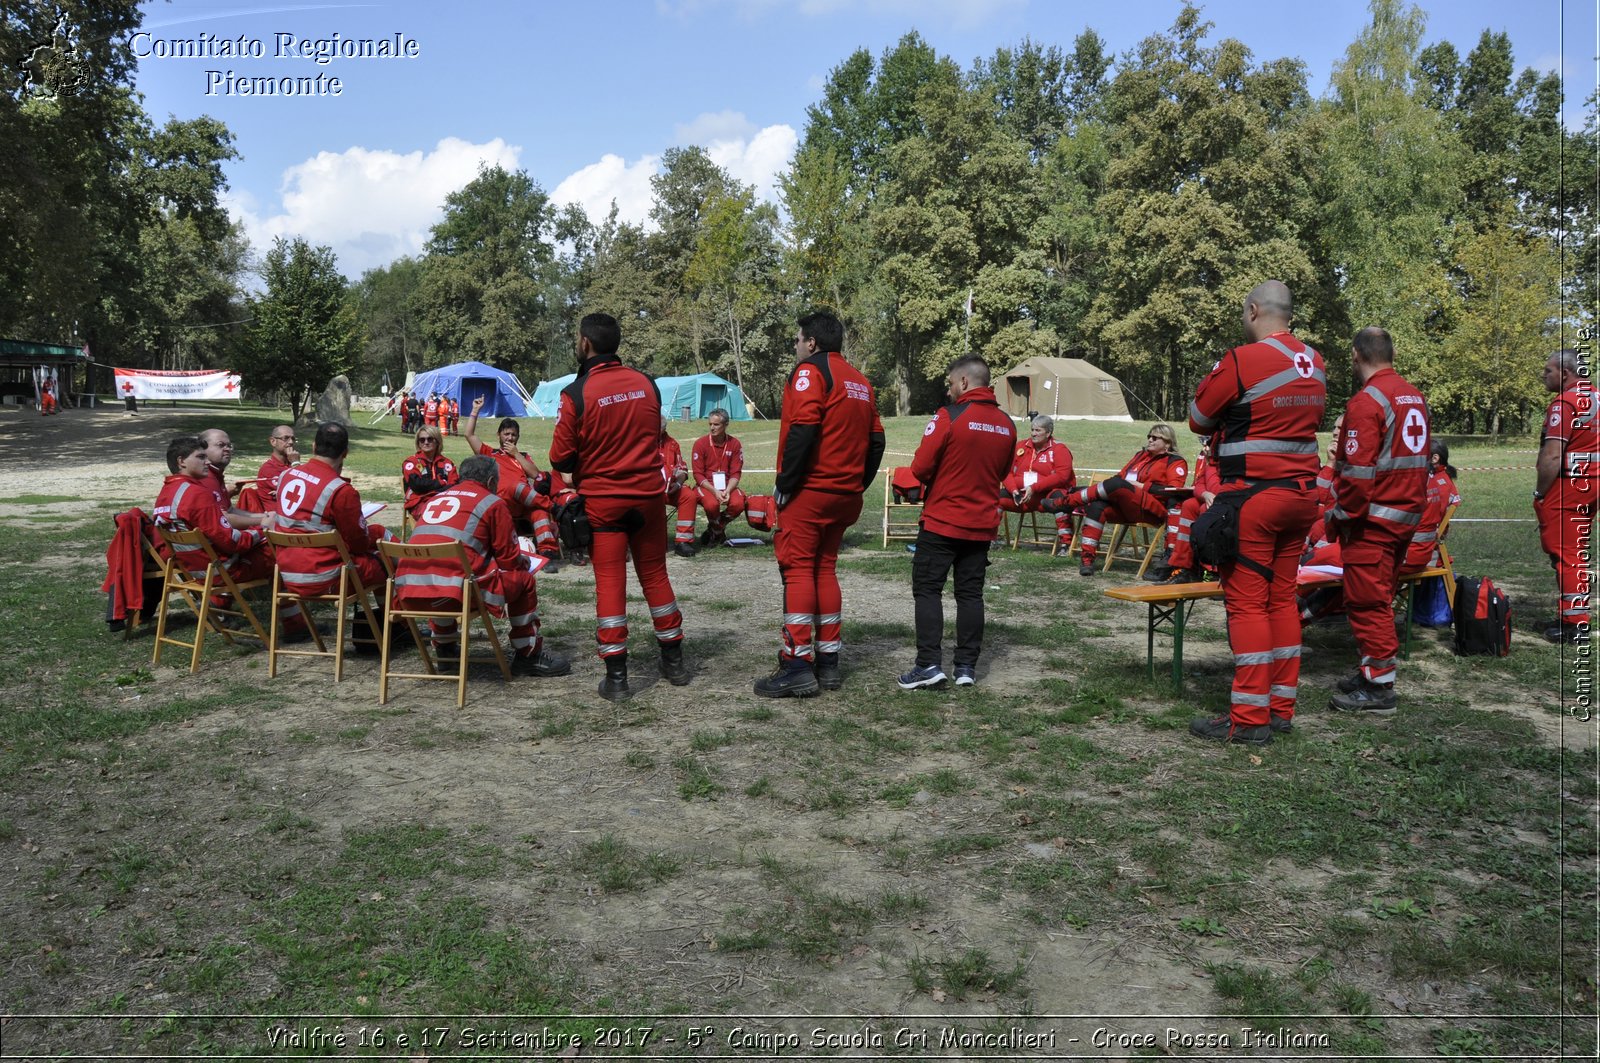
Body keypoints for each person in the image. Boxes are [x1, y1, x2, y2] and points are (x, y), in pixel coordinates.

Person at [1186, 280, 1326, 745]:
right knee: (1282, 599)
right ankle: (1280, 707)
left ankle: (1249, 719)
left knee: (1246, 605)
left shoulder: (1242, 360)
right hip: (1302, 497)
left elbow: (1198, 418)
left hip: (1254, 498)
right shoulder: (1316, 362)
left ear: (1252, 311)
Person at [549, 312, 689, 701]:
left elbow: (560, 460)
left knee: (610, 583)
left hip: (604, 503)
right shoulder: (647, 384)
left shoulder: (577, 393)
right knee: (656, 577)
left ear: (584, 344)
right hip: (648, 498)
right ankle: (674, 659)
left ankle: (616, 677)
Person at [753, 311, 886, 697]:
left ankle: (796, 664)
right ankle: (828, 662)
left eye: (797, 339)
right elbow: (876, 440)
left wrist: (786, 483)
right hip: (845, 495)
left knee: (797, 572)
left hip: (811, 492)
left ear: (811, 342)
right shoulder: (860, 381)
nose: (795, 346)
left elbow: (805, 427)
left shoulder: (810, 372)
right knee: (825, 569)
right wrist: (857, 484)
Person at [1323, 327, 1431, 715]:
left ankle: (1379, 687)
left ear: (1356, 355)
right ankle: (1371, 669)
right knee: (1379, 597)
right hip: (1404, 516)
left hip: (1373, 521)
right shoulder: (1413, 395)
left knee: (1367, 602)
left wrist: (1338, 516)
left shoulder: (1366, 402)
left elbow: (1357, 475)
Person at [896, 355, 1015, 690]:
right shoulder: (1007, 424)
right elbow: (1004, 472)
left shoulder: (949, 416)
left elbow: (920, 468)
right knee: (970, 594)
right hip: (981, 524)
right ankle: (966, 667)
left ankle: (928, 665)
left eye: (950, 383)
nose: (948, 391)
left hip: (942, 520)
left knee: (928, 590)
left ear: (963, 382)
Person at [395, 455, 570, 676]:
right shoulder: (492, 503)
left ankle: (445, 649)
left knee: (442, 571)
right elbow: (509, 559)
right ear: (490, 482)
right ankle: (528, 654)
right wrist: (525, 559)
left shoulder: (434, 499)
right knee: (523, 580)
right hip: (455, 594)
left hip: (411, 591)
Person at [153, 435, 307, 635]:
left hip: (195, 570)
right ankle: (296, 627)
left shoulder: (167, 492)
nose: (207, 461)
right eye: (201, 457)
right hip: (221, 570)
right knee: (283, 553)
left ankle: (218, 606)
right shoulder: (197, 494)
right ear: (181, 462)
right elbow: (233, 542)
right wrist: (264, 530)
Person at [274, 422, 392, 599]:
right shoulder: (340, 490)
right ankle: (393, 624)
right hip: (326, 578)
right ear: (345, 453)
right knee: (384, 562)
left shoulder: (286, 475)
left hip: (286, 573)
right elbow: (358, 544)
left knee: (376, 537)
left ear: (314, 446)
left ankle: (296, 626)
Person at [1067, 424, 1189, 576]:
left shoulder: (1175, 461)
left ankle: (1070, 501)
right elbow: (1120, 476)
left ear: (1168, 443)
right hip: (1126, 505)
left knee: (1117, 485)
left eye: (1155, 438)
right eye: (1149, 436)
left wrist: (1142, 486)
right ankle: (1087, 560)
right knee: (1097, 506)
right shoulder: (1140, 456)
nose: (1150, 440)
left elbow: (1173, 491)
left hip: (1151, 510)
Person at [1536, 348, 1596, 644]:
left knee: (1566, 553)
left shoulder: (1565, 403)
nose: (1543, 375)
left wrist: (1540, 491)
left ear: (1565, 372)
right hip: (1592, 483)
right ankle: (1570, 614)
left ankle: (1575, 623)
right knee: (1575, 551)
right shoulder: (1596, 397)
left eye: (1548, 371)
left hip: (1570, 486)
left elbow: (1552, 455)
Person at [464, 398, 560, 563]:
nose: (509, 438)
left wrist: (516, 454)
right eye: (506, 434)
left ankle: (547, 552)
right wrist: (475, 410)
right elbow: (469, 434)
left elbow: (535, 475)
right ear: (499, 435)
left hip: (522, 502)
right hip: (500, 501)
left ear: (518, 437)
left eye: (513, 435)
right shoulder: (490, 453)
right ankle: (554, 507)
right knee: (514, 487)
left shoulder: (522, 456)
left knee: (539, 512)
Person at [998, 415, 1077, 552]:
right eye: (1032, 430)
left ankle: (1066, 544)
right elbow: (1006, 472)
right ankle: (988, 538)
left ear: (1048, 433)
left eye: (1038, 431)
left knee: (1060, 499)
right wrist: (1014, 490)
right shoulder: (1020, 447)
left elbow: (1062, 477)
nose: (1033, 434)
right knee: (995, 498)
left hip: (1046, 497)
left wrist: (1034, 488)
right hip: (1021, 496)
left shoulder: (1060, 450)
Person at [1151, 434, 1220, 583]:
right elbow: (1200, 483)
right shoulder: (1208, 460)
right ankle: (1183, 566)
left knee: (1205, 510)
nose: (1205, 446)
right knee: (1189, 505)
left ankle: (1211, 570)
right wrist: (1205, 493)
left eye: (1208, 442)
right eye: (1203, 442)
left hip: (1228, 503)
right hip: (1211, 498)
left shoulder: (1228, 460)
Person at [1403, 440, 1461, 572]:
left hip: (1422, 545)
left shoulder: (1436, 483)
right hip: (1429, 541)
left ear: (1435, 458)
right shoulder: (1442, 478)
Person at [691, 409, 745, 546]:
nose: (712, 428)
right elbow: (697, 474)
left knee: (739, 503)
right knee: (712, 504)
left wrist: (727, 490)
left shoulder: (735, 444)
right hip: (706, 485)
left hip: (727, 485)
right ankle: (718, 533)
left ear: (726, 424)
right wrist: (715, 491)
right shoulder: (700, 444)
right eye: (710, 424)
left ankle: (714, 529)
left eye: (716, 424)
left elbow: (736, 473)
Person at [198, 429, 266, 528]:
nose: (227, 449)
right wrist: (262, 520)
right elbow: (223, 519)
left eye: (229, 446)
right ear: (202, 449)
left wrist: (265, 516)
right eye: (220, 445)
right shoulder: (206, 477)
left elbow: (230, 510)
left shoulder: (216, 473)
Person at [659, 414, 699, 558]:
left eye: (661, 429)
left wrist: (678, 483)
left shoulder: (673, 444)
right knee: (659, 547)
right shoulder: (638, 442)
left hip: (670, 488)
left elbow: (682, 468)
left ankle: (683, 541)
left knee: (688, 496)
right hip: (647, 491)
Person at [401, 425, 459, 518]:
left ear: (437, 441)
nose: (426, 442)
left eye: (430, 439)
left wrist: (432, 489)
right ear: (418, 443)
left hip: (445, 501)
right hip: (419, 503)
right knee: (436, 518)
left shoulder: (447, 463)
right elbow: (417, 485)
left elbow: (454, 486)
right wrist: (441, 483)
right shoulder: (411, 462)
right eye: (422, 440)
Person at [255, 425, 299, 511]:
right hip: (277, 518)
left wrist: (295, 463)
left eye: (293, 438)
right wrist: (296, 463)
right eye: (285, 438)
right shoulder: (268, 469)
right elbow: (303, 487)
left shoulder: (292, 463)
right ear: (273, 441)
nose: (290, 442)